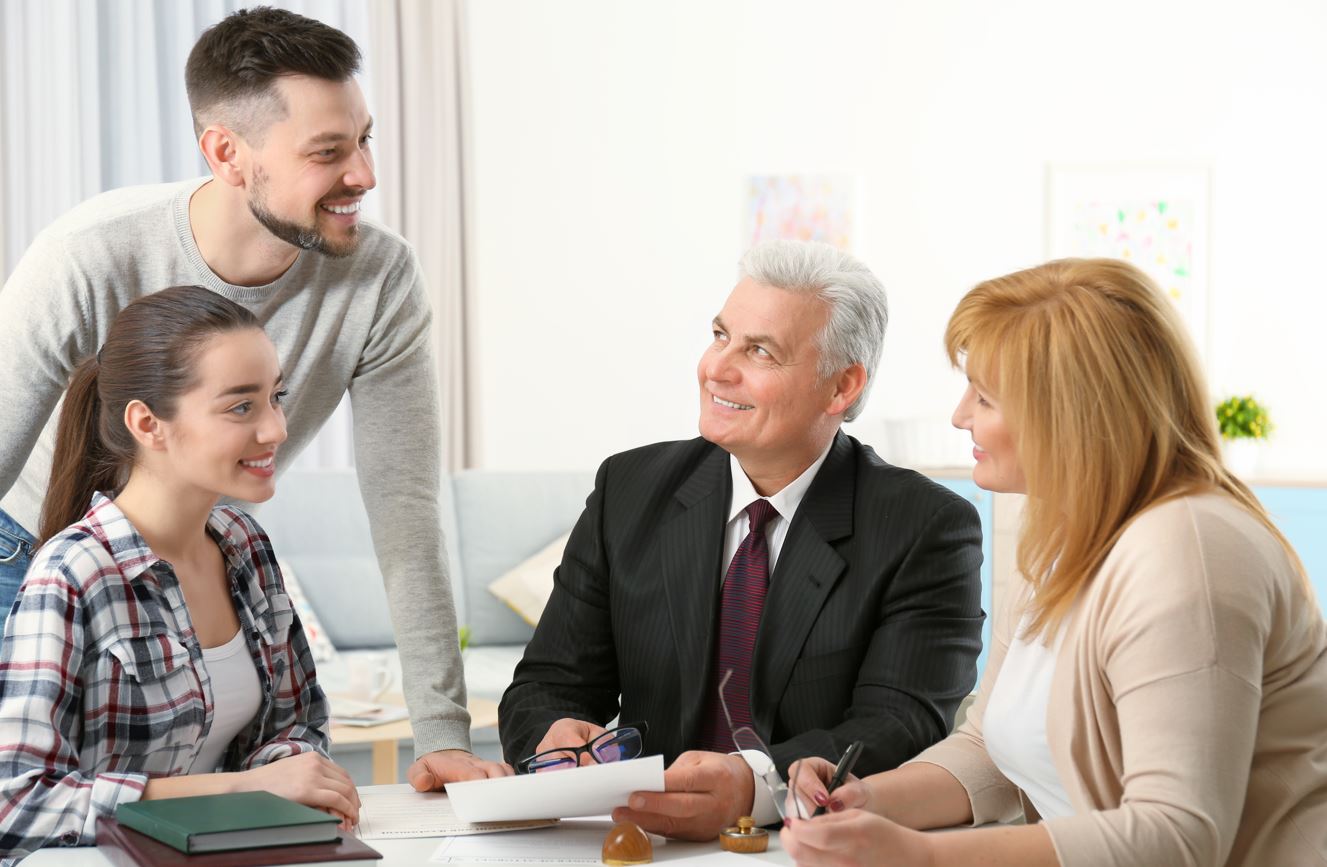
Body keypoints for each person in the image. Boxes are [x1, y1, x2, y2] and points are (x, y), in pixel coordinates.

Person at [0, 7, 505, 787]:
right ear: (226, 153)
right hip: (33, 550)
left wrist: (440, 732)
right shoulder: (89, 254)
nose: (364, 175)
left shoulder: (381, 278)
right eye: (327, 152)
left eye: (365, 139)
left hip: (196, 548)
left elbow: (406, 514)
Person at [781, 258, 1327, 866]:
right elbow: (992, 748)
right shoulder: (1062, 532)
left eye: (985, 397)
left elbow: (1177, 837)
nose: (961, 416)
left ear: (1070, 416)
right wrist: (868, 799)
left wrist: (923, 858)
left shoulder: (1185, 552)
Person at [499, 240, 985, 841]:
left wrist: (757, 784)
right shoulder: (628, 488)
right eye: (720, 336)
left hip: (802, 844)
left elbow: (901, 723)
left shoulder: (925, 525)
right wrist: (554, 734)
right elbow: (545, 686)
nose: (716, 369)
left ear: (842, 386)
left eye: (759, 351)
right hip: (642, 840)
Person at [0, 287, 359, 862]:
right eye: (241, 407)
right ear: (148, 423)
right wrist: (242, 789)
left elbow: (293, 726)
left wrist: (298, 778)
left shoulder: (245, 546)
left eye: (276, 397)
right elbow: (16, 805)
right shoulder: (73, 574)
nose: (276, 429)